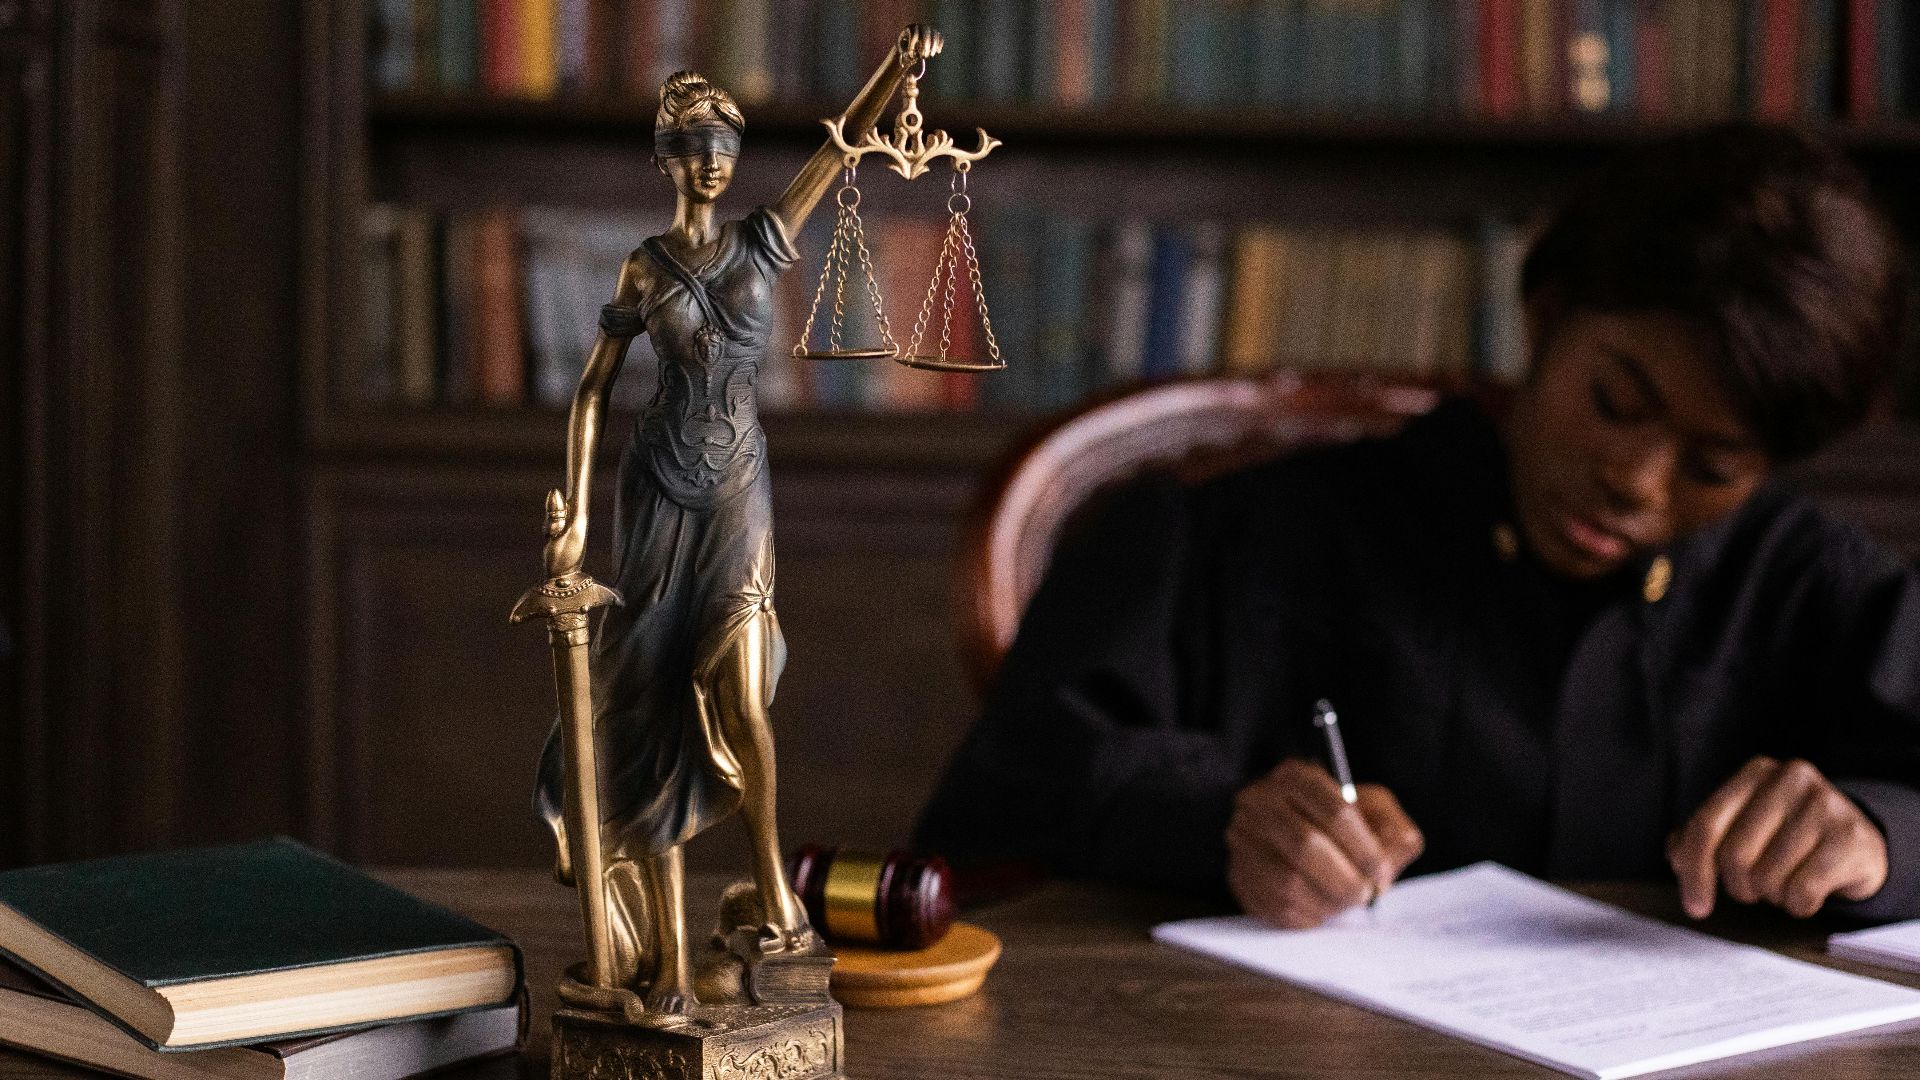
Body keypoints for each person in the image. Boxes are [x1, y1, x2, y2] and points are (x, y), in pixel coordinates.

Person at [914, 123, 1920, 927]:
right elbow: (1003, 793)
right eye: (1617, 402)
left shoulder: (1816, 587)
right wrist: (1220, 821)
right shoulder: (1236, 535)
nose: (1637, 483)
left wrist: (1879, 837)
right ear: (1546, 314)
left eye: (1713, 466)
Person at [532, 30, 940, 1013]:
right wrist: (573, 520)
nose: (712, 158)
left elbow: (843, 146)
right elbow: (592, 392)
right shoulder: (643, 266)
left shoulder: (766, 236)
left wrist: (901, 70)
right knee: (650, 698)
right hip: (656, 498)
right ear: (667, 160)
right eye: (694, 144)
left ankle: (773, 893)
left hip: (737, 495)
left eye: (724, 142)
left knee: (743, 692)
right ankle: (656, 925)